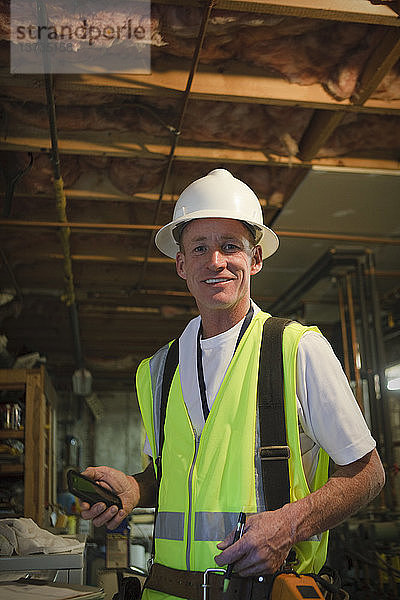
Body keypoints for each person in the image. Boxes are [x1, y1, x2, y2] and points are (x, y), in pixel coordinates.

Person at [81, 169, 385, 599]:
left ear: (255, 258)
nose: (216, 261)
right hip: (164, 592)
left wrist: (289, 524)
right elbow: (169, 476)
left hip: (265, 592)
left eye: (230, 247)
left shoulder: (297, 349)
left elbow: (368, 474)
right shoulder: (156, 370)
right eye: (200, 248)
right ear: (182, 264)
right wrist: (136, 488)